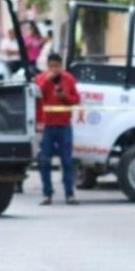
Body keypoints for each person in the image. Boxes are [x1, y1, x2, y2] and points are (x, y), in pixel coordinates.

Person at [34, 53, 80, 205]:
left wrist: (64, 96)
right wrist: (47, 81)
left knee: (67, 161)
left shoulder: (68, 79)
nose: (54, 69)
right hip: (47, 126)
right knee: (44, 160)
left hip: (64, 125)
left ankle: (69, 194)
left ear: (61, 66)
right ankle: (47, 194)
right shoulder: (41, 78)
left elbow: (76, 99)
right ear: (47, 66)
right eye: (51, 66)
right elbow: (37, 96)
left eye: (57, 66)